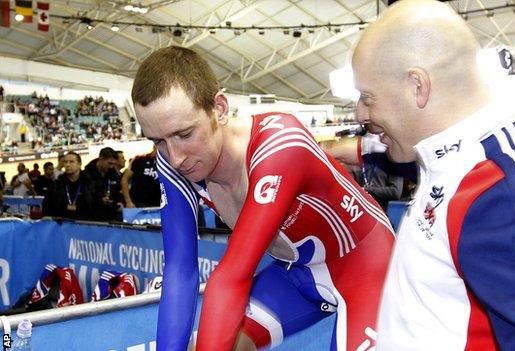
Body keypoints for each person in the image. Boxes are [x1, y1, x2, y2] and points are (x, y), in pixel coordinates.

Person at [352, 1, 515, 350]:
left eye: (367, 98)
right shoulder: (448, 161)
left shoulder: (510, 186)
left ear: (418, 86)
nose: (360, 111)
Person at [132, 46, 395, 351]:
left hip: (366, 266)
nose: (175, 158)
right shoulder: (174, 161)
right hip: (295, 273)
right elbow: (180, 269)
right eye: (158, 141)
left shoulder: (279, 143)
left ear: (219, 109)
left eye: (185, 134)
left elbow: (233, 275)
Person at [42, 152, 97, 220]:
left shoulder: (90, 184)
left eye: (71, 162)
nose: (67, 165)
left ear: (79, 164)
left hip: (84, 225)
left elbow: (95, 207)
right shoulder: (56, 185)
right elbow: (47, 207)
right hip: (62, 225)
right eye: (65, 162)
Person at [85, 147, 123, 220]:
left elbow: (118, 190)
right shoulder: (87, 174)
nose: (111, 166)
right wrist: (100, 201)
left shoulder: (113, 173)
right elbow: (87, 197)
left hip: (111, 215)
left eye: (113, 164)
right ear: (101, 158)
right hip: (93, 217)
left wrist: (119, 201)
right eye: (109, 163)